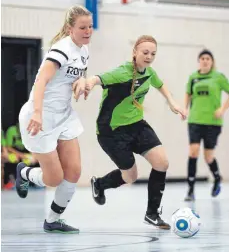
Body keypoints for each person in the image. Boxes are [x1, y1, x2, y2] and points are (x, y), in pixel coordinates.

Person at [79, 35, 186, 230]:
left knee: (162, 162)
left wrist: (172, 102)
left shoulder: (149, 73)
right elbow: (97, 79)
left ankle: (152, 214)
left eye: (153, 53)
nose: (149, 57)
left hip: (137, 125)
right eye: (145, 52)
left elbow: (160, 85)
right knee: (130, 177)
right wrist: (86, 83)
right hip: (111, 132)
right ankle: (100, 184)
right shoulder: (122, 72)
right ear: (135, 52)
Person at [16, 5, 93, 233]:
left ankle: (52, 219)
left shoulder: (84, 50)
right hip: (40, 117)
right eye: (82, 27)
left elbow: (78, 74)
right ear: (70, 29)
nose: (88, 31)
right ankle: (25, 173)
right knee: (54, 178)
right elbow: (40, 82)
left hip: (64, 115)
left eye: (90, 27)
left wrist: (81, 82)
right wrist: (38, 113)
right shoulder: (61, 49)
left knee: (74, 171)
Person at [184, 49, 229, 201]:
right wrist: (185, 109)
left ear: (212, 61)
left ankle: (217, 178)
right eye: (202, 58)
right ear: (199, 61)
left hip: (213, 123)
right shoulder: (193, 77)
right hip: (195, 120)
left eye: (208, 58)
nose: (205, 60)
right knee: (193, 152)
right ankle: (190, 190)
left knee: (208, 157)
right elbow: (188, 94)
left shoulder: (218, 77)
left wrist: (222, 109)